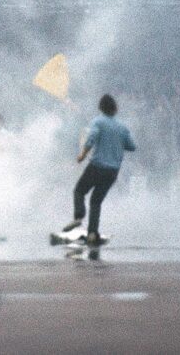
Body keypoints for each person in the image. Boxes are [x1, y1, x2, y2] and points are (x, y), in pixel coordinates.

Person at [64, 93, 136, 246]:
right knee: (96, 201)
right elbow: (132, 146)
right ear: (115, 109)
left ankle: (78, 217)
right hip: (112, 172)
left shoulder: (98, 121)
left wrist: (82, 154)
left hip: (96, 166)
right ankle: (92, 233)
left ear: (101, 108)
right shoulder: (122, 127)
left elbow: (92, 137)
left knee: (79, 191)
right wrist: (118, 141)